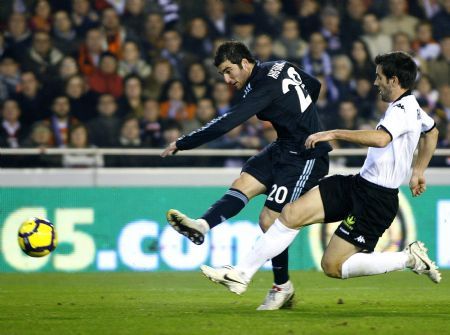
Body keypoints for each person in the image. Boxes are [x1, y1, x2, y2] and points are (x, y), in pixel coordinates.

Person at [199, 51, 441, 298]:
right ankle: (241, 275)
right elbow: (431, 132)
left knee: (332, 266)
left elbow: (381, 139)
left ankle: (408, 258)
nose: (375, 82)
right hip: (357, 184)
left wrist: (332, 133)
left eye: (379, 77)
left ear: (394, 80)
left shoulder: (401, 110)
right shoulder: (414, 108)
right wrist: (418, 171)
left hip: (377, 199)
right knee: (290, 213)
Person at [161, 41, 331, 310]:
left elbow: (226, 123)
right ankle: (201, 226)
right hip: (282, 146)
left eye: (229, 71)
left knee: (269, 220)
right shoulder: (280, 65)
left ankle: (281, 287)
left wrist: (184, 142)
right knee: (242, 184)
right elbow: (314, 85)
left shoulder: (263, 87)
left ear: (244, 62)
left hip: (306, 155)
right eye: (222, 75)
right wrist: (299, 115)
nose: (227, 79)